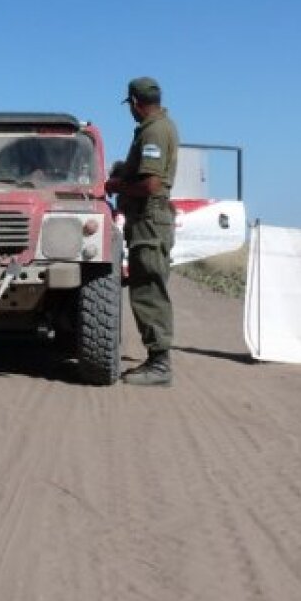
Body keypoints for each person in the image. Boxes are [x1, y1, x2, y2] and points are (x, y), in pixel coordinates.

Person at [104, 76, 179, 386]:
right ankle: (157, 359)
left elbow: (151, 184)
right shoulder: (159, 128)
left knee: (148, 287)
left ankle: (159, 364)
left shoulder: (154, 131)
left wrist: (116, 185)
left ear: (135, 103)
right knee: (146, 284)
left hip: (149, 219)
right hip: (147, 218)